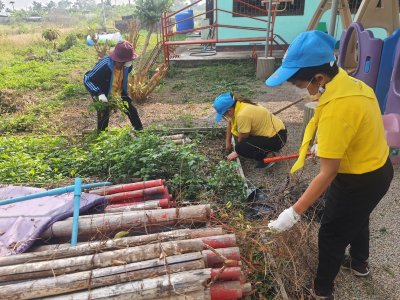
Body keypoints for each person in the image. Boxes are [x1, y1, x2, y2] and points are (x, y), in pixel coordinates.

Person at [265, 31, 393, 299]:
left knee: (332, 233)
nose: (304, 90)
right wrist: (326, 145)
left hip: (357, 179)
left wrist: (294, 211)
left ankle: (322, 291)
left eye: (303, 85)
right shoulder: (352, 85)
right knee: (358, 216)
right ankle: (359, 263)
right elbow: (358, 129)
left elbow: (328, 173)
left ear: (319, 78)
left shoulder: (338, 107)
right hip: (378, 169)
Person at [213, 92, 287, 168]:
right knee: (242, 144)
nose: (225, 116)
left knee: (240, 148)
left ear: (229, 110)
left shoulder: (242, 115)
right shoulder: (240, 105)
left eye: (224, 114)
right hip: (276, 132)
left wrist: (237, 152)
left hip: (278, 138)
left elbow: (242, 138)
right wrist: (227, 142)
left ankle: (269, 156)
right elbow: (230, 123)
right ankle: (267, 147)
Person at [84, 40, 143, 131]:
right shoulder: (105, 65)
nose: (130, 62)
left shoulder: (128, 66)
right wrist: (99, 93)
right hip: (102, 93)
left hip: (118, 92)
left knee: (132, 111)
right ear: (120, 60)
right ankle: (102, 139)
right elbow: (88, 79)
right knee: (104, 117)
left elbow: (121, 79)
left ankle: (141, 134)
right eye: (128, 60)